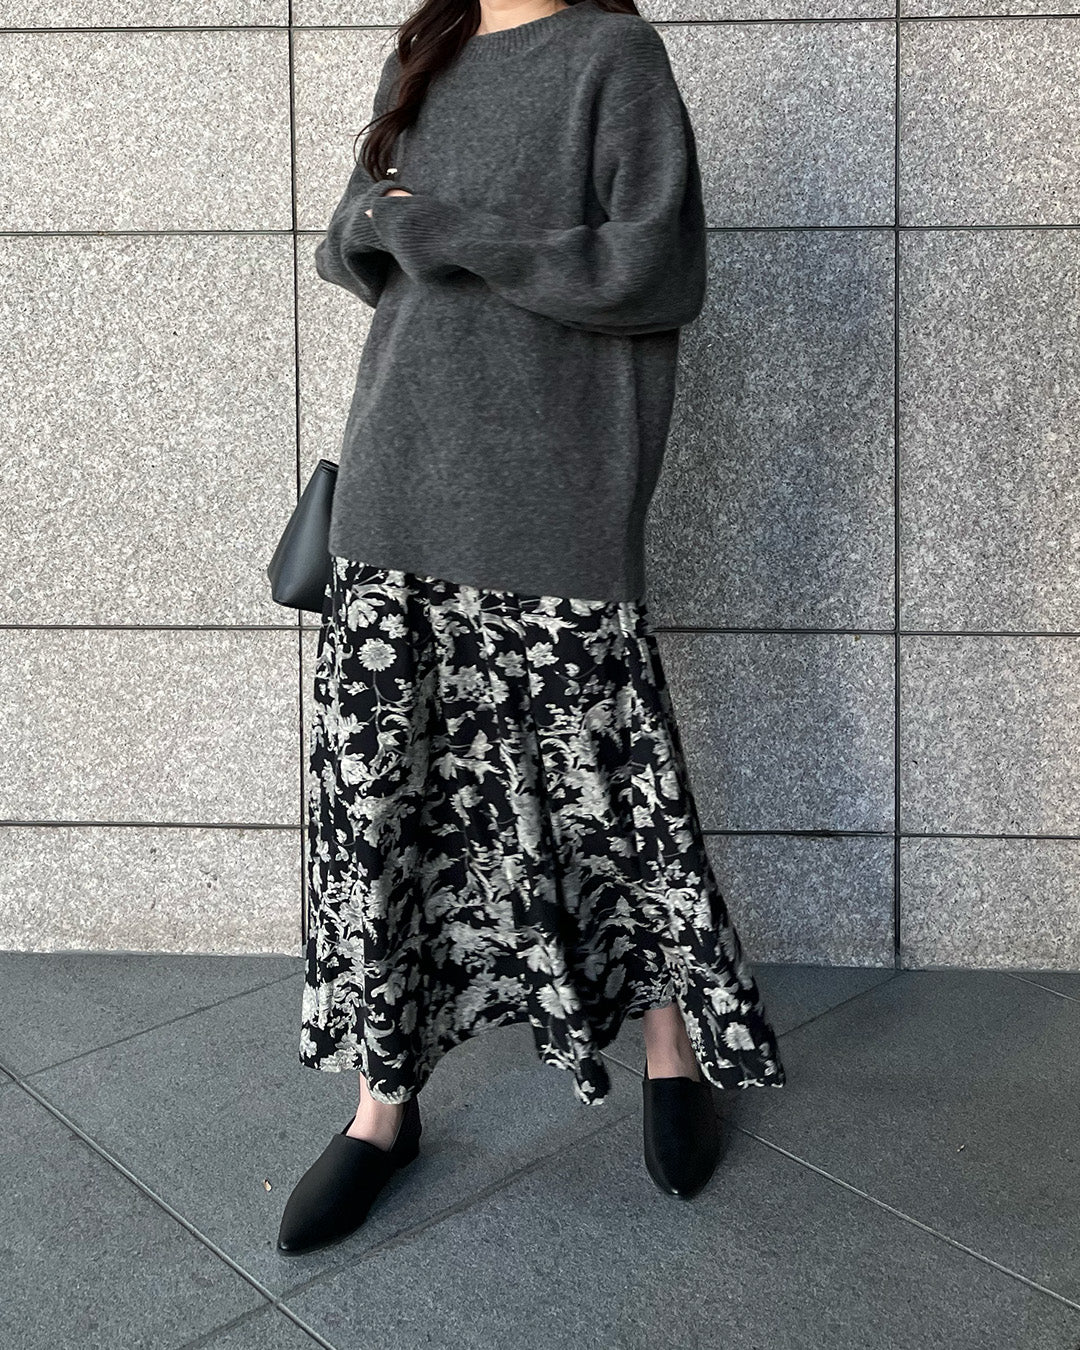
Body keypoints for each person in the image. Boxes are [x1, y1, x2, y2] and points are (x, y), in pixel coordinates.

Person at [277, 0, 785, 1256]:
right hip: (397, 482)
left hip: (554, 491)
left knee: (612, 796)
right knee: (387, 800)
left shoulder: (614, 56)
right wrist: (373, 221)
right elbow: (352, 250)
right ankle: (380, 1107)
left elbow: (655, 269)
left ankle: (670, 1047)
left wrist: (447, 228)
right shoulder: (425, 54)